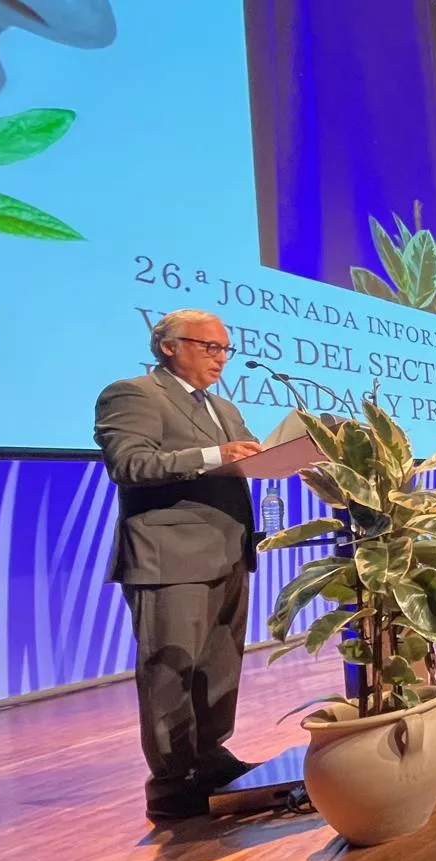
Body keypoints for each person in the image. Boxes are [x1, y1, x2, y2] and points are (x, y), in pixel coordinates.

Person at [94, 309, 263, 820]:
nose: (220, 358)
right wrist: (213, 455)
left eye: (225, 349)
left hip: (229, 549)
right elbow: (130, 463)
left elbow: (244, 455)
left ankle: (210, 758)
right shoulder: (133, 394)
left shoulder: (224, 407)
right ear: (168, 346)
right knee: (171, 668)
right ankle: (173, 781)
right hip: (169, 558)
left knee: (219, 664)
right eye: (209, 347)